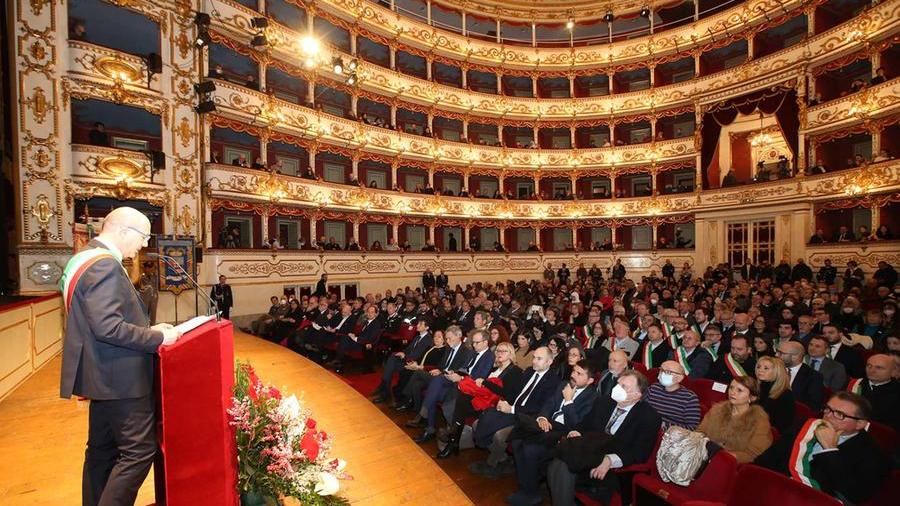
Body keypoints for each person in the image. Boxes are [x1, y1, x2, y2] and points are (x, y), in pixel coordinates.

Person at [59, 206, 181, 506]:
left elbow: (99, 321)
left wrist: (149, 327)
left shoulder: (83, 258)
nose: (143, 245)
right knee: (139, 452)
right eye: (143, 237)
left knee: (101, 452)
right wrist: (158, 337)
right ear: (124, 231)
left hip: (102, 375)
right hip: (121, 377)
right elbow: (108, 327)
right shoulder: (104, 266)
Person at [546, 370, 661, 506]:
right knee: (558, 465)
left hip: (613, 463)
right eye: (618, 383)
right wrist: (576, 431)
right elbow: (585, 424)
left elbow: (640, 453)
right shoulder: (604, 401)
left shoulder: (649, 417)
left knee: (560, 465)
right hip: (590, 450)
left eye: (624, 387)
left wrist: (610, 460)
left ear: (637, 395)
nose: (617, 388)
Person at [755, 392, 890, 504]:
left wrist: (830, 449)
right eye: (827, 409)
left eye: (839, 414)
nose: (828, 416)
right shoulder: (804, 425)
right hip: (776, 490)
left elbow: (854, 494)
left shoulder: (873, 454)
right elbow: (767, 459)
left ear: (860, 423)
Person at [506, 360, 598, 504]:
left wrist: (568, 401)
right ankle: (527, 488)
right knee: (517, 439)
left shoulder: (592, 398)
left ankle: (532, 493)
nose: (573, 375)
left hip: (565, 433)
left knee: (530, 449)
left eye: (579, 374)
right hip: (548, 425)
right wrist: (543, 417)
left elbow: (576, 424)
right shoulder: (563, 384)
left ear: (590, 380)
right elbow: (549, 404)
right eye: (574, 371)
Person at [437, 341, 524, 459]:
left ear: (511, 354)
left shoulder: (515, 371)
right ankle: (454, 440)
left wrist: (485, 382)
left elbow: (507, 394)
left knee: (461, 402)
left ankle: (453, 439)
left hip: (495, 404)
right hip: (482, 398)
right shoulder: (495, 369)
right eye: (498, 350)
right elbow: (483, 386)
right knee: (461, 398)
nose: (499, 353)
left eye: (504, 351)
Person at [697, 376, 773, 463]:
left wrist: (723, 457)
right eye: (731, 388)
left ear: (752, 397)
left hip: (732, 464)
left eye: (739, 390)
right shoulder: (717, 410)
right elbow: (700, 432)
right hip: (704, 455)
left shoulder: (759, 421)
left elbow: (753, 454)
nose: (733, 392)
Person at [371, 317, 433, 405]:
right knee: (392, 358)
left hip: (412, 363)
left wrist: (404, 356)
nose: (417, 326)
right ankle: (384, 391)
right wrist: (402, 353)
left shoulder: (427, 340)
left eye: (420, 324)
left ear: (427, 327)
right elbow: (408, 349)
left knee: (390, 365)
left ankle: (384, 390)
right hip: (406, 359)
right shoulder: (418, 337)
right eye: (418, 323)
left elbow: (417, 356)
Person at [646, 360, 702, 430]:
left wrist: (663, 425)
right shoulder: (654, 388)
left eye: (667, 372)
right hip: (645, 427)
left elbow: (692, 427)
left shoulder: (690, 398)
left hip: (668, 435)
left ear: (679, 378)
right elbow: (640, 409)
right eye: (661, 370)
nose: (662, 374)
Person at [853, 354, 900, 430]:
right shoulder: (855, 383)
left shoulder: (897, 392)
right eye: (869, 366)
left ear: (892, 371)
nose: (872, 370)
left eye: (879, 367)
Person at [776, 340, 825, 411]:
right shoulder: (773, 368)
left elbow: (813, 406)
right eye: (777, 351)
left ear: (795, 357)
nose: (776, 355)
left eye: (781, 353)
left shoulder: (813, 377)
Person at [754, 356, 795, 434]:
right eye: (758, 367)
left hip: (771, 435)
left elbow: (780, 426)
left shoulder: (785, 395)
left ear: (777, 372)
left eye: (766, 368)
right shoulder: (760, 387)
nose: (760, 370)